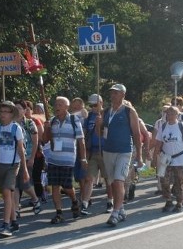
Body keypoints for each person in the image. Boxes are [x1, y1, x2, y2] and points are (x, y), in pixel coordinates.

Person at [94, 83, 142, 227]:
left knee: (119, 180)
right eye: (112, 93)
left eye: (116, 93)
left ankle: (115, 213)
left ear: (122, 94)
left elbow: (137, 134)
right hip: (108, 150)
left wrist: (139, 154)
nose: (113, 95)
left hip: (124, 151)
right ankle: (120, 208)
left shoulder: (129, 111)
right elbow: (99, 134)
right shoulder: (106, 111)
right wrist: (98, 124)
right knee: (113, 182)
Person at [42, 96, 87, 224]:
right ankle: (59, 213)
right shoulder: (52, 121)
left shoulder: (74, 120)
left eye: (60, 104)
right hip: (53, 159)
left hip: (68, 160)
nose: (57, 107)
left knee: (67, 186)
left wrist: (83, 158)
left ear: (67, 107)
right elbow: (44, 140)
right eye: (56, 104)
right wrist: (46, 129)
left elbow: (81, 140)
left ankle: (74, 200)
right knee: (55, 186)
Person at [0, 101, 30, 237]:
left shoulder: (16, 128)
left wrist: (24, 169)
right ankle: (14, 222)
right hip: (1, 164)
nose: (3, 114)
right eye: (1, 111)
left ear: (11, 114)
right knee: (5, 194)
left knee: (7, 192)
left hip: (13, 165)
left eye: (6, 112)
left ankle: (5, 224)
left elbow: (21, 150)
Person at [154, 106, 183, 213]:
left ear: (177, 115)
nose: (169, 115)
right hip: (166, 158)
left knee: (179, 181)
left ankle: (179, 203)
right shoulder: (163, 126)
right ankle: (168, 200)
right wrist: (154, 157)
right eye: (167, 113)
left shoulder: (182, 126)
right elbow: (158, 142)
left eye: (171, 113)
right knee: (164, 180)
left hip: (180, 158)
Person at [80, 93, 111, 212]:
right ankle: (85, 203)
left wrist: (101, 125)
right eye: (91, 105)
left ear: (101, 103)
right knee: (89, 178)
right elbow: (86, 133)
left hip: (105, 151)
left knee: (108, 179)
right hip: (93, 151)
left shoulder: (107, 115)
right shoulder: (89, 118)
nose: (93, 107)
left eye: (95, 105)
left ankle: (110, 201)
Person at [14, 100, 43, 216]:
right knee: (15, 185)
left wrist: (31, 158)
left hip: (27, 157)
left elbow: (35, 142)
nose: (17, 111)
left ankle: (35, 199)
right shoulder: (10, 123)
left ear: (25, 110)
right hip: (14, 158)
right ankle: (15, 209)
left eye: (19, 108)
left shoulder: (29, 123)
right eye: (15, 108)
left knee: (25, 184)